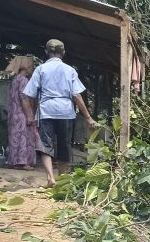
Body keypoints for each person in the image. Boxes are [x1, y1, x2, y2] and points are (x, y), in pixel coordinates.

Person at [21, 39, 96, 187]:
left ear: (46, 52)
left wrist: (30, 115)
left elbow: (26, 95)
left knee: (45, 145)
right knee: (64, 146)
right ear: (63, 53)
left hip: (46, 111)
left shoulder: (40, 69)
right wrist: (88, 117)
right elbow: (76, 96)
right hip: (66, 112)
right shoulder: (70, 70)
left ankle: (50, 178)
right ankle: (62, 179)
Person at [5, 55, 37, 170]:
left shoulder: (16, 79)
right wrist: (29, 116)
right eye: (31, 66)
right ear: (26, 66)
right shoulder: (23, 80)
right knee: (24, 137)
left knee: (15, 137)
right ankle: (24, 163)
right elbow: (24, 98)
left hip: (14, 113)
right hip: (22, 114)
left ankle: (15, 162)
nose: (32, 69)